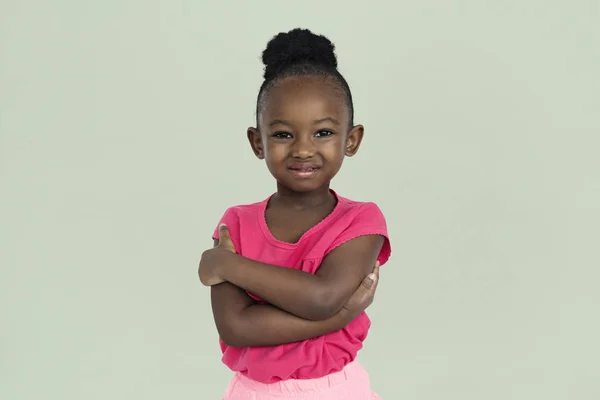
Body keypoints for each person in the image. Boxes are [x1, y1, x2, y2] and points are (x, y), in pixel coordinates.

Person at [198, 28, 392, 399]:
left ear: (351, 140)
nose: (303, 149)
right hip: (251, 391)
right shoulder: (235, 222)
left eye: (322, 133)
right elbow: (236, 327)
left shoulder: (361, 220)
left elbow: (321, 298)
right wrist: (340, 314)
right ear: (259, 142)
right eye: (285, 135)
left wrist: (227, 265)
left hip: (335, 390)